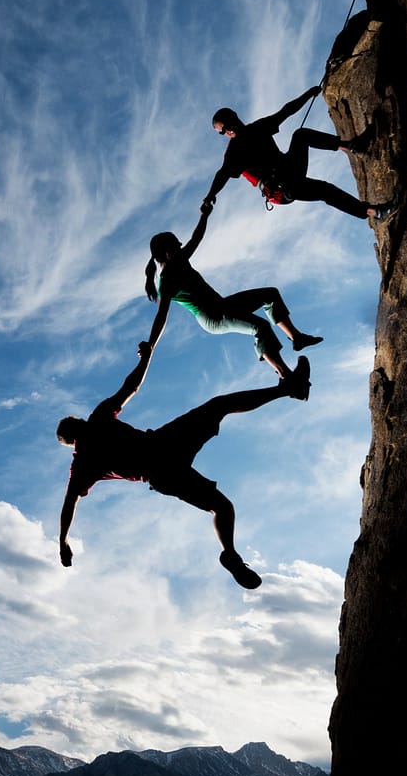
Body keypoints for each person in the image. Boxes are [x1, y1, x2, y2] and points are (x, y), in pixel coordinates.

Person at [55, 341, 309, 589]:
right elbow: (130, 387)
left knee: (222, 507)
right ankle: (288, 389)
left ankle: (230, 553)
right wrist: (145, 359)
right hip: (164, 446)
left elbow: (69, 503)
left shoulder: (82, 463)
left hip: (161, 474)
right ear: (77, 426)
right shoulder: (96, 422)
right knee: (219, 406)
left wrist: (63, 540)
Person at [144, 197, 321, 385]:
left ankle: (297, 338)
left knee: (270, 294)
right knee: (260, 327)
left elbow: (196, 239)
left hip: (222, 305)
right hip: (212, 316)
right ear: (165, 253)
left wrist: (204, 216)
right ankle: (287, 378)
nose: (181, 248)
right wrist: (151, 345)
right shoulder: (167, 279)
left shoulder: (178, 261)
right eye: (176, 246)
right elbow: (161, 316)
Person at [205, 84, 393, 220]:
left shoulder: (257, 128)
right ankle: (374, 212)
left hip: (288, 169)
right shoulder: (235, 151)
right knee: (324, 190)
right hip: (281, 188)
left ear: (234, 118)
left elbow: (284, 112)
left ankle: (352, 146)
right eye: (223, 132)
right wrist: (210, 195)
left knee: (301, 136)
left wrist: (308, 95)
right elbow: (222, 174)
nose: (227, 132)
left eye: (226, 127)